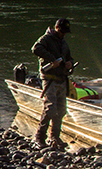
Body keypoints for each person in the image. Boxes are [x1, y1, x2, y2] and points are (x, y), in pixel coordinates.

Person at [31, 18, 75, 149]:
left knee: (61, 110)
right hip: (49, 79)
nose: (63, 34)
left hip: (62, 78)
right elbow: (35, 49)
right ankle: (39, 137)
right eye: (62, 31)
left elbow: (70, 58)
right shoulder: (46, 39)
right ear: (56, 28)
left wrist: (70, 64)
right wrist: (52, 59)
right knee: (50, 109)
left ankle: (55, 137)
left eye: (65, 32)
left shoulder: (64, 43)